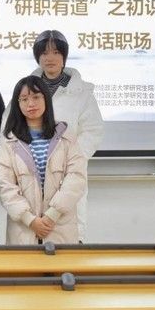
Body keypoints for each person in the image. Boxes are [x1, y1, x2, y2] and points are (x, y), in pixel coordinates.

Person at [31, 30, 104, 243]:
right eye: (44, 53)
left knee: (68, 237)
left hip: (68, 171)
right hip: (32, 170)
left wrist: (71, 158)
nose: (50, 58)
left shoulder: (82, 93)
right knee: (32, 235)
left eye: (56, 52)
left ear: (64, 56)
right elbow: (10, 127)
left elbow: (93, 130)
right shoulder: (26, 88)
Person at [0, 76, 86, 244]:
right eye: (24, 99)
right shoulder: (8, 141)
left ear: (46, 99)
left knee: (61, 262)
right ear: (17, 104)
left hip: (59, 227)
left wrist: (52, 216)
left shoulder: (66, 136)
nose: (30, 103)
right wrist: (30, 220)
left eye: (36, 97)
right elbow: (5, 185)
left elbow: (76, 178)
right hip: (24, 229)